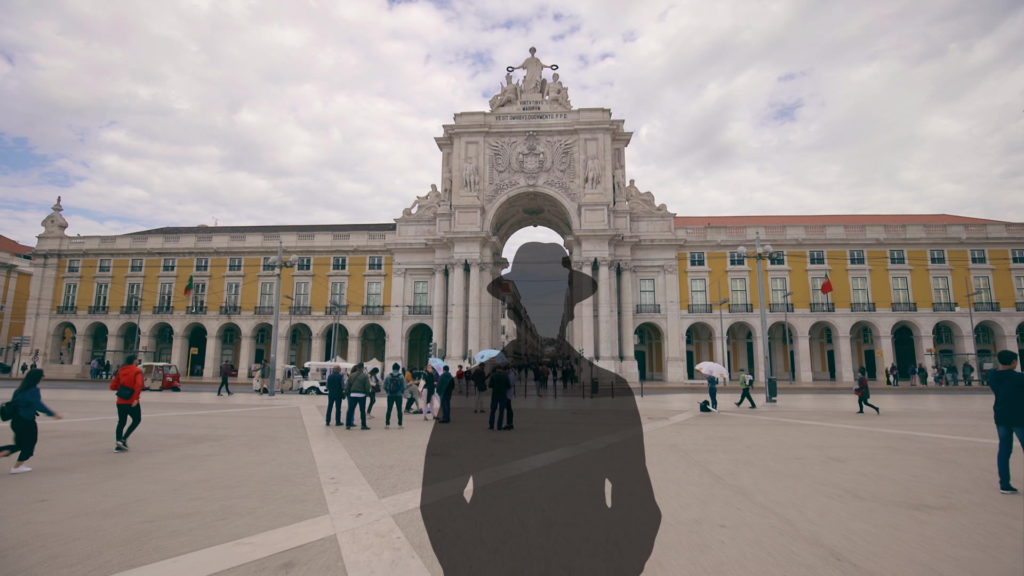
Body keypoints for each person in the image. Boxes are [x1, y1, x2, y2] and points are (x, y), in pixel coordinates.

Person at [0, 369, 62, 473]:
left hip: (16, 421)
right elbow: (38, 404)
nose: (43, 378)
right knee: (29, 445)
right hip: (26, 421)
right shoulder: (33, 390)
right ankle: (17, 467)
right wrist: (53, 414)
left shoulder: (19, 389)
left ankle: (4, 453)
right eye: (42, 376)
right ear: (37, 378)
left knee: (19, 444)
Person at [988, 350, 1024, 494]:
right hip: (1019, 417)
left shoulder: (993, 375)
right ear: (1014, 362)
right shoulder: (1018, 378)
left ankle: (1004, 484)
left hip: (1001, 417)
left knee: (1004, 450)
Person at [109, 354, 144, 452]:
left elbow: (113, 386)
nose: (138, 361)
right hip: (131, 400)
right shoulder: (137, 371)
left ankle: (118, 442)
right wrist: (136, 398)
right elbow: (139, 385)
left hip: (120, 401)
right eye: (137, 360)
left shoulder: (121, 370)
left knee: (121, 422)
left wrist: (123, 388)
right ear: (134, 361)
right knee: (137, 419)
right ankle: (124, 439)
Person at [345, 363, 371, 430]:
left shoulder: (351, 375)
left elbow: (348, 385)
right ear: (362, 368)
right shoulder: (365, 376)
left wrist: (348, 392)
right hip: (362, 395)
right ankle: (363, 425)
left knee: (350, 410)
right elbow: (367, 386)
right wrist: (367, 393)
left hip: (352, 394)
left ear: (357, 368)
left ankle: (348, 425)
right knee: (362, 411)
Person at [487, 365, 512, 431]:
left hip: (495, 395)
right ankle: (499, 426)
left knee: (493, 410)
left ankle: (491, 425)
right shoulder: (505, 376)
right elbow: (509, 386)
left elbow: (490, 385)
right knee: (501, 411)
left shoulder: (493, 376)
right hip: (503, 395)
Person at [383, 363, 407, 429]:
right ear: (399, 369)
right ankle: (400, 424)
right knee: (399, 410)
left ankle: (387, 424)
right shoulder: (401, 376)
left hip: (390, 395)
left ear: (392, 368)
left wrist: (388, 391)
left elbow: (384, 386)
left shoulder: (388, 376)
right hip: (399, 395)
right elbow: (404, 386)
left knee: (389, 409)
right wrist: (401, 392)